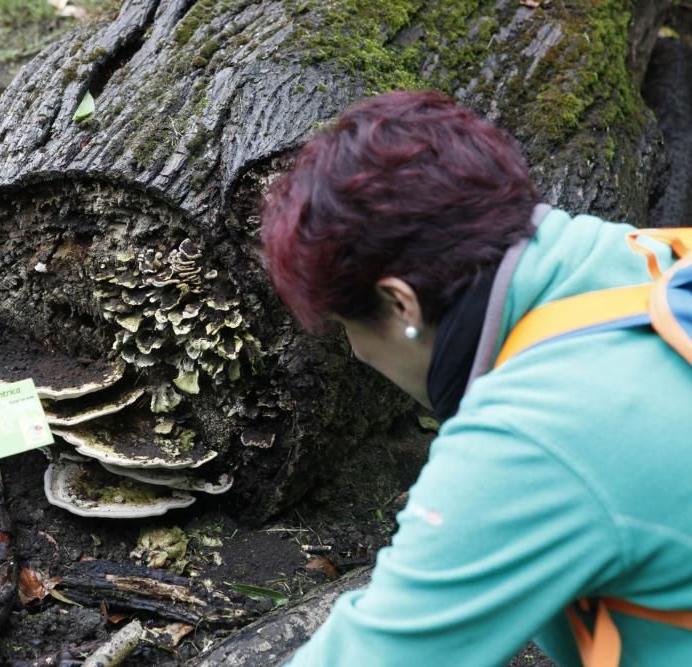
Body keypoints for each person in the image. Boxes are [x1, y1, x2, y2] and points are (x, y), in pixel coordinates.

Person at [260, 90, 692, 666]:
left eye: (344, 325)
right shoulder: (652, 258)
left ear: (400, 305)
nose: (357, 353)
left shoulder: (532, 437)